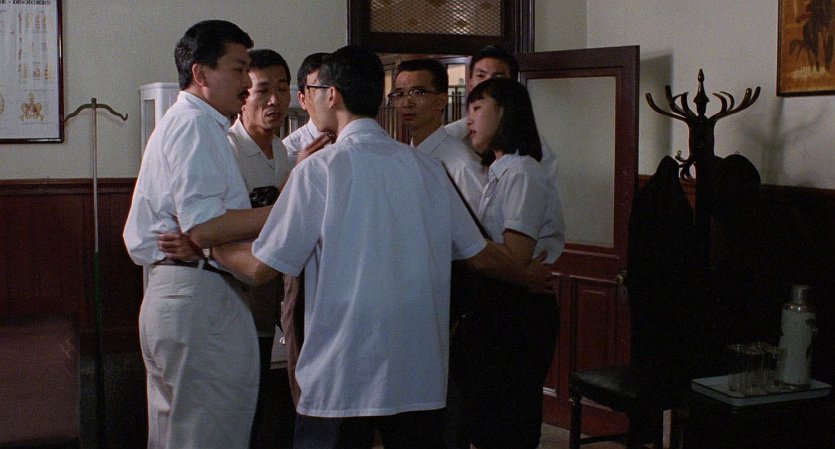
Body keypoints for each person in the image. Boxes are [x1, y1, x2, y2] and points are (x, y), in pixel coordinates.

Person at [206, 45, 554, 449]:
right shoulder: (428, 169)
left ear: (332, 95)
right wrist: (524, 275)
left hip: (341, 374)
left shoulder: (318, 171)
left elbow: (260, 267)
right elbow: (480, 255)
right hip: (418, 374)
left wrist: (206, 244)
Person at [123, 20, 270, 448]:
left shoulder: (194, 122)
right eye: (238, 69)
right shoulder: (195, 124)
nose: (247, 83)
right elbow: (204, 227)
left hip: (184, 293)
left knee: (180, 436)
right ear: (201, 73)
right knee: (208, 436)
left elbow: (200, 228)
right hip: (197, 298)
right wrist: (288, 210)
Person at [454, 77, 565, 449]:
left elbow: (517, 255)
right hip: (501, 301)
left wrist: (464, 240)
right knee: (488, 417)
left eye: (477, 108)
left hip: (519, 308)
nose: (469, 119)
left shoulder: (521, 171)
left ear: (504, 112)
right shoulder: (500, 170)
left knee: (509, 421)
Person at [226, 47, 295, 447]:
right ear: (243, 96)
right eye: (263, 90)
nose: (274, 100)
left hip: (270, 295)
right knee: (236, 407)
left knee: (264, 402)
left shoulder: (282, 151)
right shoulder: (228, 149)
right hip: (234, 294)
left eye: (282, 89)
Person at [445, 45, 559, 184]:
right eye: (481, 75)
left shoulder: (532, 150)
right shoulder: (449, 137)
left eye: (498, 78)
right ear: (469, 84)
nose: (488, 82)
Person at [390, 58, 485, 212]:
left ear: (441, 100)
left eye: (417, 92)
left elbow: (476, 224)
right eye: (399, 94)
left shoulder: (463, 166)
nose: (406, 103)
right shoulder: (402, 159)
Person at [282, 52, 331, 166]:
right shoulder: (288, 152)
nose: (330, 96)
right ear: (303, 100)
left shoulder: (356, 141)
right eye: (320, 89)